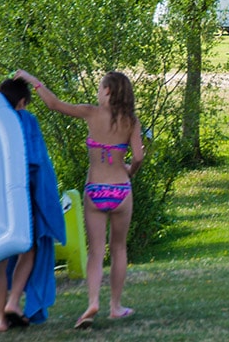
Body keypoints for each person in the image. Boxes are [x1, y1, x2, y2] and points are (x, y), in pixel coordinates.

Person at [15, 70, 144, 330]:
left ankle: (93, 302)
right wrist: (130, 171)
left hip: (95, 190)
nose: (98, 92)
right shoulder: (131, 121)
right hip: (121, 189)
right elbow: (139, 156)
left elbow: (54, 104)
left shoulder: (90, 113)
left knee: (96, 252)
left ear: (107, 90)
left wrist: (32, 80)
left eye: (100, 87)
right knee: (118, 248)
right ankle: (116, 307)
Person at [0, 78, 65, 332]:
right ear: (22, 102)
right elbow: (37, 165)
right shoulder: (26, 121)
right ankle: (13, 302)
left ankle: (1, 320)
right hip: (20, 197)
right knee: (28, 250)